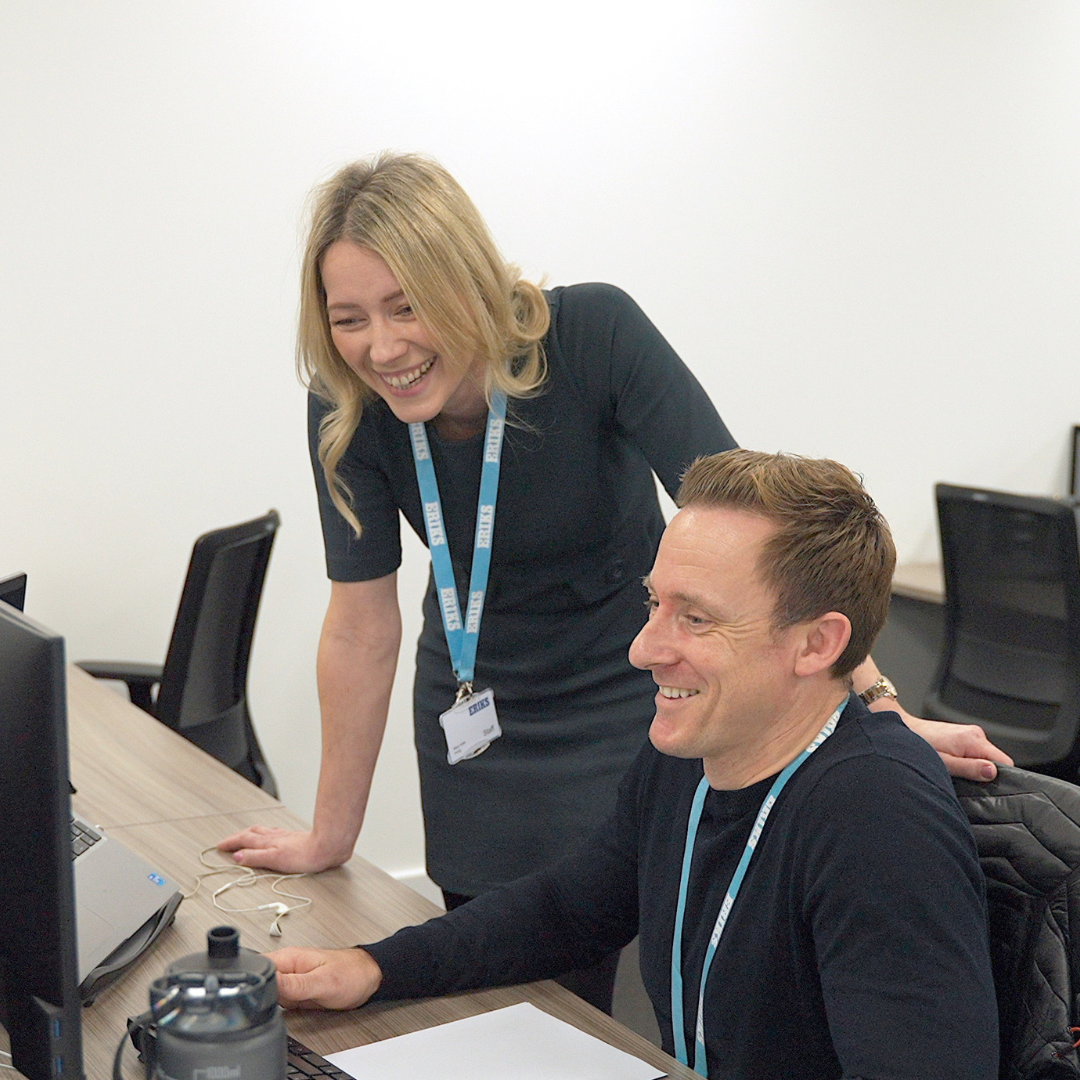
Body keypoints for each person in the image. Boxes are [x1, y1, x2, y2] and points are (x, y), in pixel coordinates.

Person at [218, 153, 1009, 1012]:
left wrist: (875, 713)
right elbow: (361, 624)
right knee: (479, 984)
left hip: (623, 695)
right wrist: (331, 832)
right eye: (349, 318)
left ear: (468, 281)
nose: (383, 347)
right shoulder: (345, 404)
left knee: (591, 962)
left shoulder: (593, 334)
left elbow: (765, 546)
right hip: (475, 711)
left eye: (408, 306)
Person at [266, 450, 1000, 1080]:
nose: (644, 649)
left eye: (696, 617)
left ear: (815, 645)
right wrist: (376, 967)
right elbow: (568, 910)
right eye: (654, 604)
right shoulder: (692, 754)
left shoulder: (877, 817)